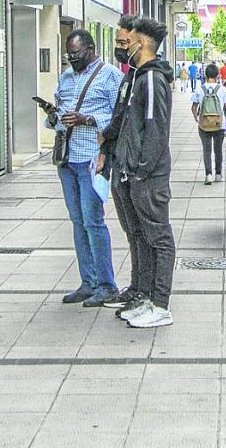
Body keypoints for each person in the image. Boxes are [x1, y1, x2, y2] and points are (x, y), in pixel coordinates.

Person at [48, 30, 124, 307]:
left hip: (92, 158)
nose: (72, 59)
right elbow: (60, 110)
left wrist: (87, 118)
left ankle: (107, 285)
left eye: (77, 54)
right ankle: (88, 281)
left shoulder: (110, 76)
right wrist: (53, 115)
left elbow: (118, 117)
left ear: (90, 49)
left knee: (93, 221)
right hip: (67, 157)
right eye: (69, 55)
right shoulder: (66, 77)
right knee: (78, 222)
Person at [112, 17, 177, 329]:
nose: (128, 46)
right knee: (143, 237)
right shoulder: (139, 77)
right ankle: (147, 298)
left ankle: (160, 304)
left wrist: (141, 171)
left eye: (131, 41)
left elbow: (155, 129)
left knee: (159, 238)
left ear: (143, 44)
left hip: (148, 177)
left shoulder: (151, 80)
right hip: (134, 173)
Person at [97, 16, 144, 312]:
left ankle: (145, 291)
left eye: (124, 42)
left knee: (143, 232)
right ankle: (135, 287)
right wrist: (106, 148)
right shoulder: (129, 76)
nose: (119, 48)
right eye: (117, 42)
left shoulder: (149, 79)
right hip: (119, 163)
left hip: (136, 169)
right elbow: (119, 118)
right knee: (130, 231)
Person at [191, 63, 226, 184]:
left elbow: (194, 106)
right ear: (217, 75)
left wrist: (196, 118)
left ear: (206, 75)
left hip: (204, 124)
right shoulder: (222, 89)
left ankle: (208, 175)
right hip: (219, 124)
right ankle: (218, 174)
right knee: (218, 150)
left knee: (206, 150)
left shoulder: (200, 89)